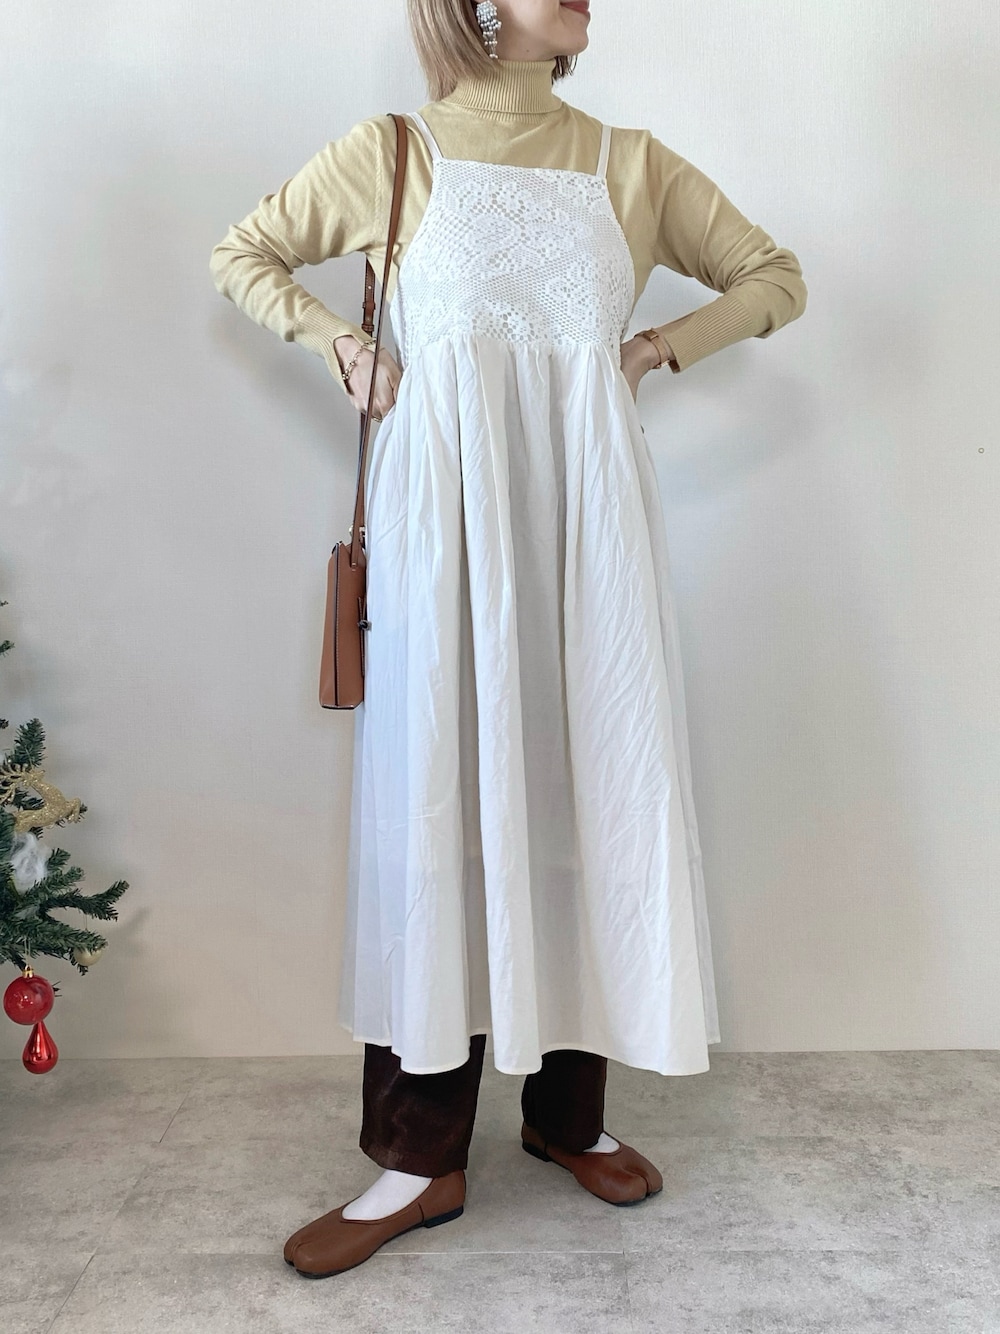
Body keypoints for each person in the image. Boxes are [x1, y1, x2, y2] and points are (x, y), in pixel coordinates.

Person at [209, 0, 807, 1281]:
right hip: (444, 526)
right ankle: (417, 1155)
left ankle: (565, 1117)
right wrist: (341, 342)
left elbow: (774, 276)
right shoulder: (393, 152)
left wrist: (654, 347)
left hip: (588, 524)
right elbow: (245, 253)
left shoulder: (630, 164)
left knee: (588, 781)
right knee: (439, 795)